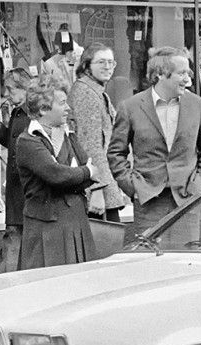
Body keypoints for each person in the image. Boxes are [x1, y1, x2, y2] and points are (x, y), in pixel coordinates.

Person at [107, 47, 201, 245]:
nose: (188, 79)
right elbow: (116, 153)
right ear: (160, 75)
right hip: (148, 203)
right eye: (181, 73)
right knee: (149, 259)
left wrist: (198, 185)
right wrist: (134, 187)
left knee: (184, 260)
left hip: (186, 202)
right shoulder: (130, 107)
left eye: (188, 73)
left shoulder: (197, 105)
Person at [16, 76, 99, 269]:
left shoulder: (68, 134)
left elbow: (87, 173)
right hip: (46, 227)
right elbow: (56, 175)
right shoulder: (28, 141)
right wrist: (85, 172)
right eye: (62, 103)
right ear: (43, 109)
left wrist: (79, 174)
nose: (68, 108)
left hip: (76, 221)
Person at [0, 67, 32, 275]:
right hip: (16, 190)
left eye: (11, 89)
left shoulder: (31, 114)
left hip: (24, 190)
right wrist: (0, 129)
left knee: (14, 240)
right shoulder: (18, 112)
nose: (7, 94)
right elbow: (15, 145)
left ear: (24, 88)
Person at [68, 42, 125, 222]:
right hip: (96, 189)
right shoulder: (85, 93)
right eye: (101, 62)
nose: (107, 67)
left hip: (102, 181)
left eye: (111, 62)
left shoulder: (96, 92)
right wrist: (97, 188)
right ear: (86, 65)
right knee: (105, 236)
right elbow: (89, 144)